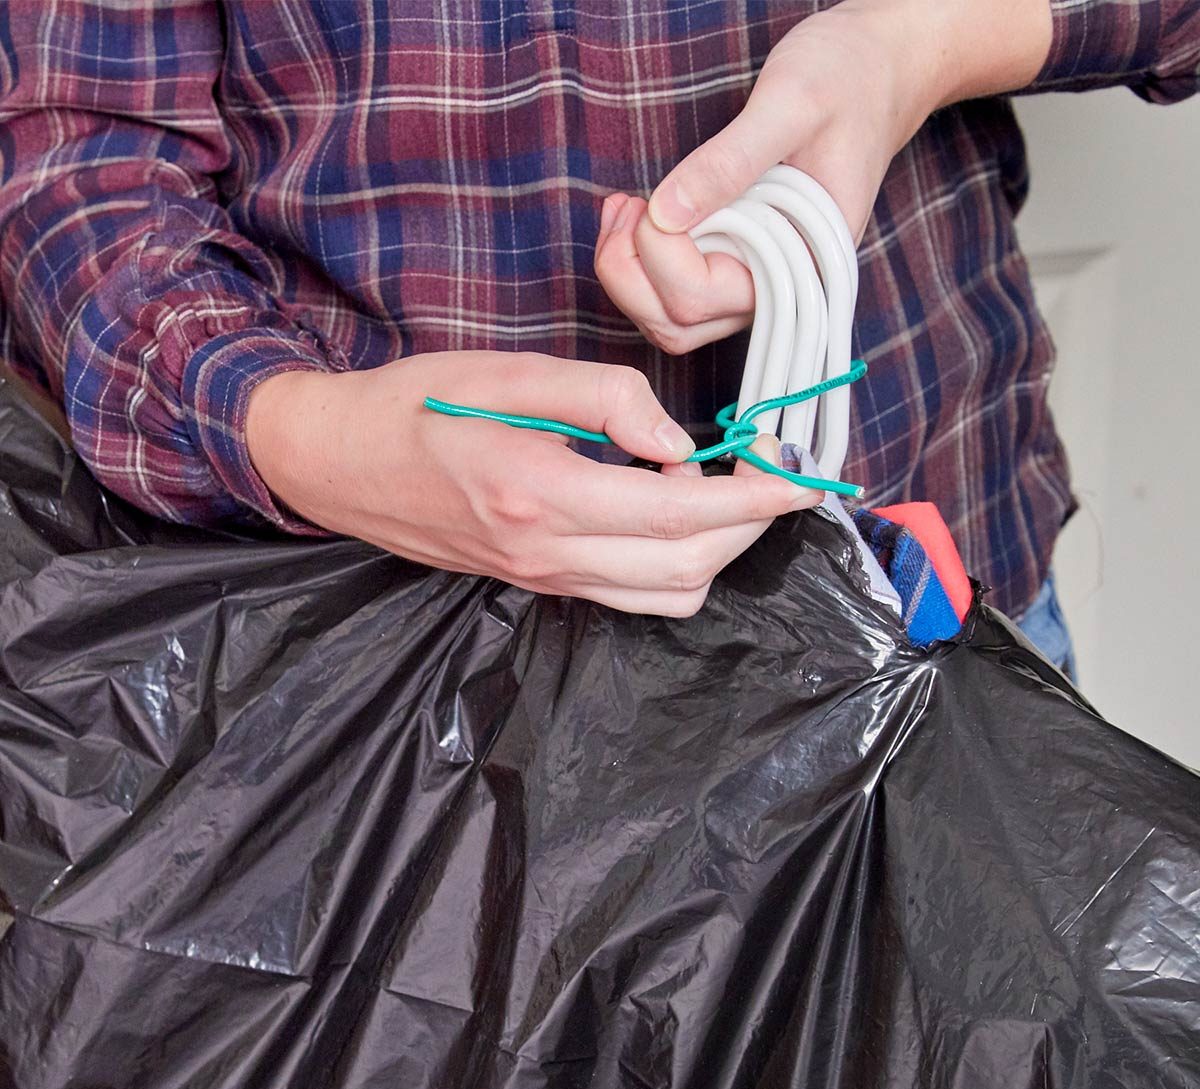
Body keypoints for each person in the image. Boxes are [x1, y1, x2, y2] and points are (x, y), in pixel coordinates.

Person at [0, 3, 1197, 649]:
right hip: (381, 672)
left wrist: (910, 48)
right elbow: (76, 156)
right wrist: (309, 435)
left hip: (916, 579)